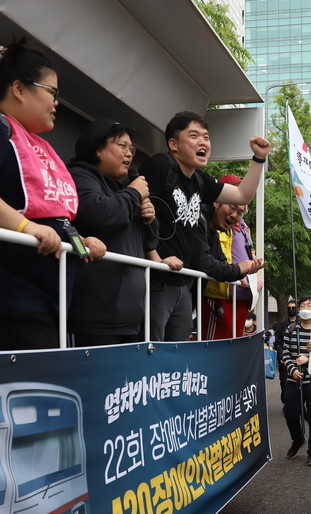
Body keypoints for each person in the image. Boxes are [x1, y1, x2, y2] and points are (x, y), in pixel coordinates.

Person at [0, 41, 107, 350]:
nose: (57, 102)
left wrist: (83, 244)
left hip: (56, 296)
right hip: (18, 296)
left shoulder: (41, 145)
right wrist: (25, 228)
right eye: (52, 92)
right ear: (19, 88)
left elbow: (56, 219)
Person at [140, 111, 267, 341]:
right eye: (194, 136)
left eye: (206, 137)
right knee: (151, 352)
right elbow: (141, 213)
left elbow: (242, 195)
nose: (203, 143)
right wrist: (156, 258)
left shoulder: (201, 180)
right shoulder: (160, 166)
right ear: (173, 144)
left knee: (176, 358)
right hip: (157, 281)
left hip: (184, 285)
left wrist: (258, 158)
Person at [66, 118, 181, 346]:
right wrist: (133, 195)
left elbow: (149, 243)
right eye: (122, 146)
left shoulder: (125, 187)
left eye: (131, 148)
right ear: (98, 148)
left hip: (130, 317)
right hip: (95, 316)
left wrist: (149, 219)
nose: (129, 154)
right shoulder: (80, 176)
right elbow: (99, 214)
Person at [201, 174, 256, 339]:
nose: (235, 214)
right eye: (233, 207)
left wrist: (254, 278)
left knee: (233, 349)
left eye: (241, 210)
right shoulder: (214, 222)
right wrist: (238, 273)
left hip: (242, 298)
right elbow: (214, 259)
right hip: (220, 296)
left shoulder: (244, 227)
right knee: (214, 347)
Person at [281, 295, 311, 466]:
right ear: (298, 309)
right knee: (291, 413)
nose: (305, 308)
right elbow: (285, 352)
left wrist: (308, 358)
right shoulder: (291, 329)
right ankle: (298, 439)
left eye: (310, 305)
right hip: (294, 380)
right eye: (302, 305)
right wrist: (292, 369)